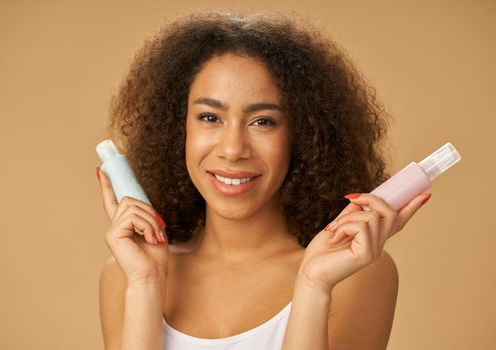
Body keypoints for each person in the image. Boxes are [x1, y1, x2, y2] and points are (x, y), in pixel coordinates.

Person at [96, 11, 431, 350]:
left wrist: (313, 286)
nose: (232, 149)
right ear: (177, 129)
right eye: (210, 117)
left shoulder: (354, 273)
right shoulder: (126, 273)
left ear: (303, 135)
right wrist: (145, 283)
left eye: (263, 122)